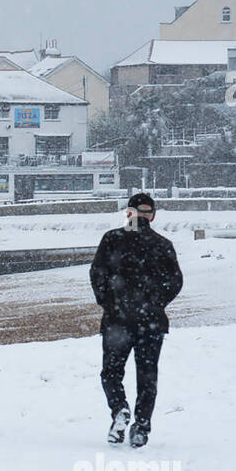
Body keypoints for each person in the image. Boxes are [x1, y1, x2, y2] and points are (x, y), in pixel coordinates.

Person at [89, 192, 183, 448]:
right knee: (147, 376)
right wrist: (155, 303)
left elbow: (97, 273)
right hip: (151, 322)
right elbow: (175, 281)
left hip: (117, 321)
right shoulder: (162, 244)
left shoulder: (112, 240)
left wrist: (109, 302)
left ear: (128, 213)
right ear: (152, 216)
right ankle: (141, 427)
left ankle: (120, 408)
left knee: (111, 372)